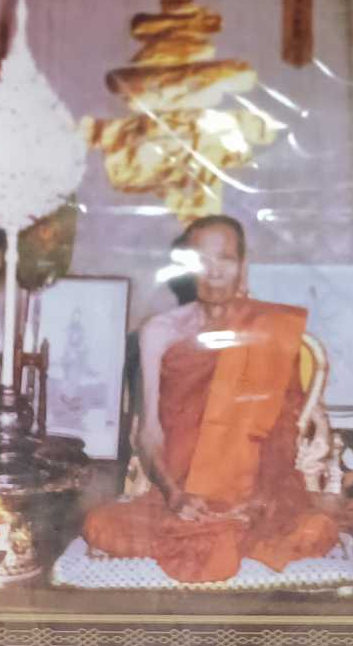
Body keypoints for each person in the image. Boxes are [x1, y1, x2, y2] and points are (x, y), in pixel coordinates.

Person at [83, 215, 338, 583]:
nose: (214, 271)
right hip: (179, 491)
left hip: (258, 494)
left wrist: (261, 498)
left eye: (226, 259)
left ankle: (234, 529)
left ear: (243, 266)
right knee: (100, 524)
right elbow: (148, 432)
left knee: (314, 529)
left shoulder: (269, 330)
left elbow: (283, 434)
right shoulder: (160, 332)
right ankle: (225, 533)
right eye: (202, 259)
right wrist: (174, 495)